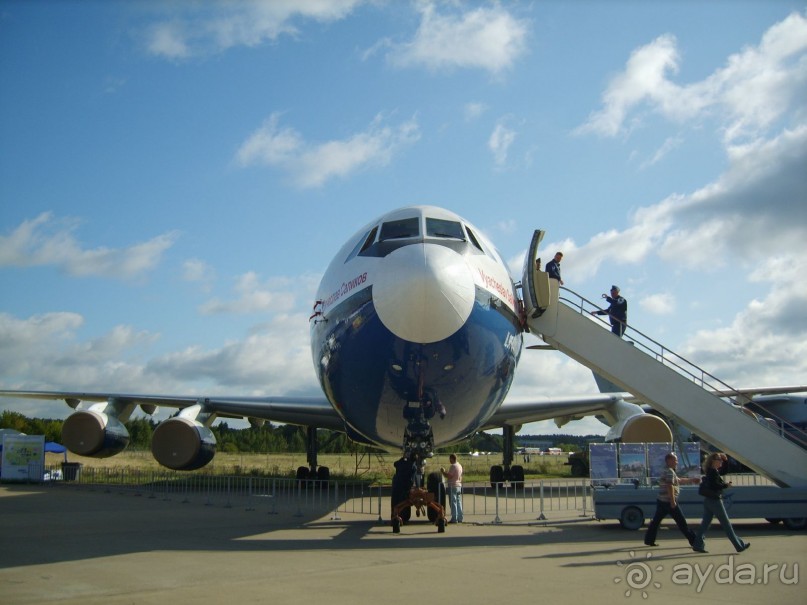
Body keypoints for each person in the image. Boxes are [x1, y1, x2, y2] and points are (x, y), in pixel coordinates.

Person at [692, 452, 750, 553]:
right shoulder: (712, 472)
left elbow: (724, 472)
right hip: (715, 501)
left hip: (709, 500)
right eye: (719, 459)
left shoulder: (712, 471)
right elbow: (715, 485)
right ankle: (739, 545)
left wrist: (726, 460)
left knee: (705, 524)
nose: (721, 461)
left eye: (721, 460)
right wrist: (725, 486)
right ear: (713, 461)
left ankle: (697, 544)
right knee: (726, 525)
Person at [644, 452, 697, 547]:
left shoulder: (667, 471)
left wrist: (691, 480)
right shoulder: (669, 472)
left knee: (655, 522)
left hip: (661, 501)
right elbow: (670, 486)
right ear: (669, 461)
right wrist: (673, 501)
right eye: (675, 460)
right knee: (682, 523)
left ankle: (649, 540)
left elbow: (678, 480)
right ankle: (694, 541)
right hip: (668, 502)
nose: (677, 462)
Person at [441, 453, 464, 523]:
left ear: (452, 458)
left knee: (453, 502)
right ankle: (460, 517)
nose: (449, 461)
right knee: (458, 502)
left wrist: (443, 472)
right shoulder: (459, 466)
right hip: (458, 485)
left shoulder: (453, 466)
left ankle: (454, 518)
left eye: (450, 459)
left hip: (452, 485)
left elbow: (449, 476)